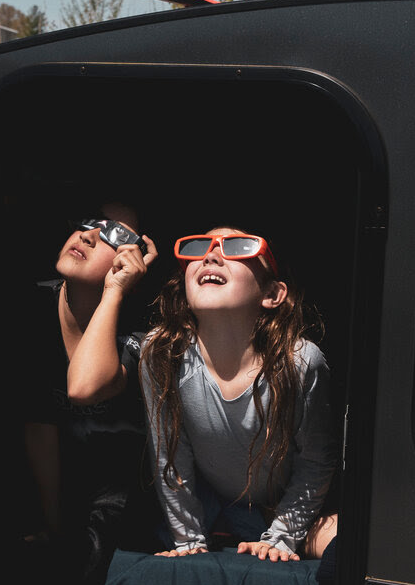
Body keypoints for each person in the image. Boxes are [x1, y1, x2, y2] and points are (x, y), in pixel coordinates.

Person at [139, 228, 339, 562]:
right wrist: (189, 541)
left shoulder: (299, 362)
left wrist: (281, 536)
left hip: (288, 509)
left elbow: (316, 461)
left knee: (346, 542)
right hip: (210, 506)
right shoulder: (162, 352)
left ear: (272, 294)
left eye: (238, 248)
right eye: (200, 246)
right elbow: (170, 455)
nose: (212, 255)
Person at [21, 205, 158, 575]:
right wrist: (52, 526)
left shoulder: (144, 331)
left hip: (118, 500)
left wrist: (114, 291)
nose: (88, 235)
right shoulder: (30, 307)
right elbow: (38, 423)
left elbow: (84, 387)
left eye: (116, 235)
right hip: (42, 487)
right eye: (89, 224)